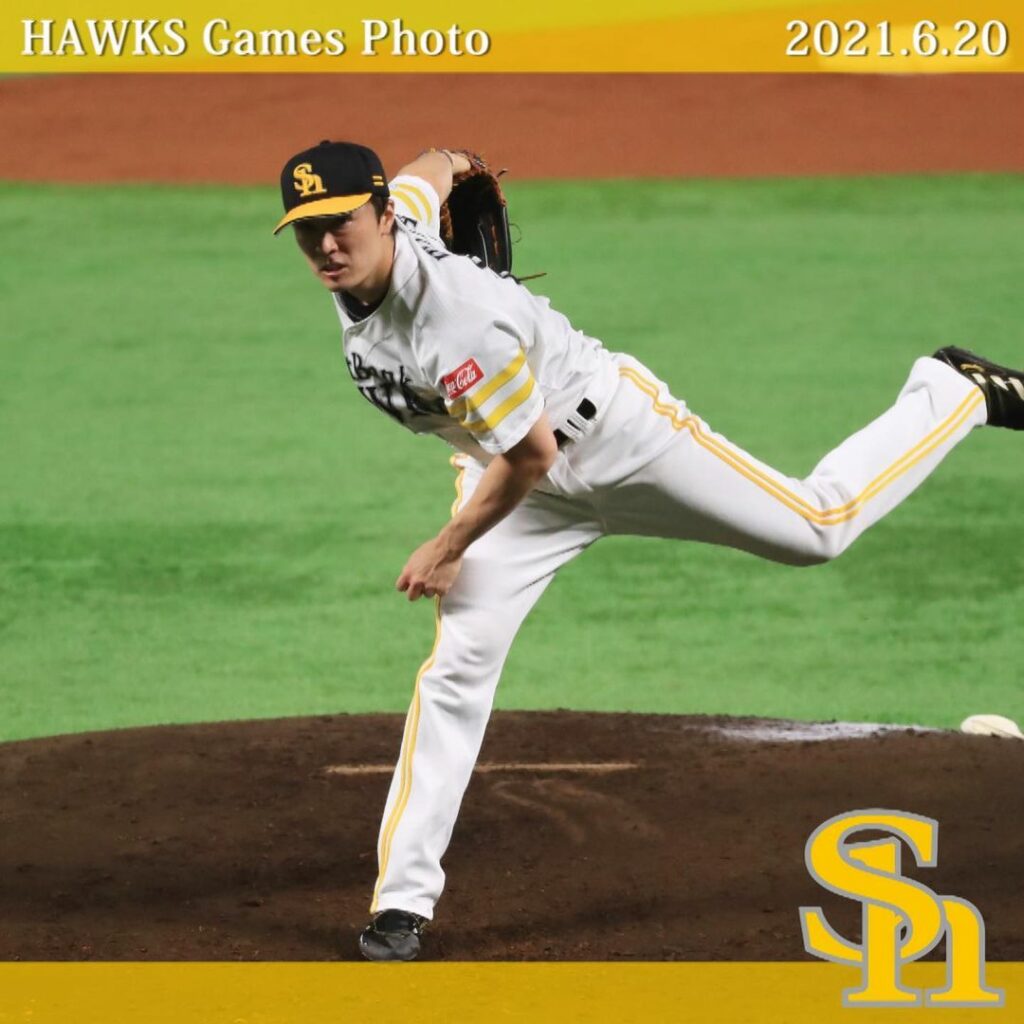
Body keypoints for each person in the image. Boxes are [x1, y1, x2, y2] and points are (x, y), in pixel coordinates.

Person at [273, 139, 1023, 961]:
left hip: (616, 444)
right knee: (457, 669)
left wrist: (449, 545)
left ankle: (951, 391)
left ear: (382, 214)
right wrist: (456, 156)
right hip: (514, 486)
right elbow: (431, 168)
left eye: (341, 223)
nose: (326, 246)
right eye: (308, 229)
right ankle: (401, 905)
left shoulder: (454, 321)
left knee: (818, 527)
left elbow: (534, 455)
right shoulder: (386, 235)